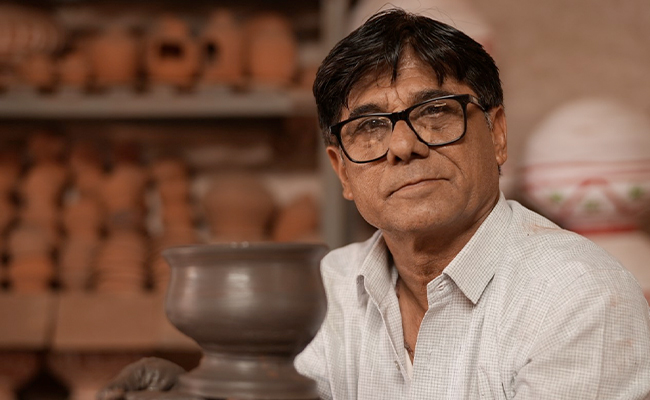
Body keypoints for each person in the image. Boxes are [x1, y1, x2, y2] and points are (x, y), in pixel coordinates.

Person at [98, 9, 650, 400]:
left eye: (435, 112)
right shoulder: (324, 292)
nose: (403, 146)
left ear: (497, 133)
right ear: (342, 171)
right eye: (369, 127)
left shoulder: (578, 297)